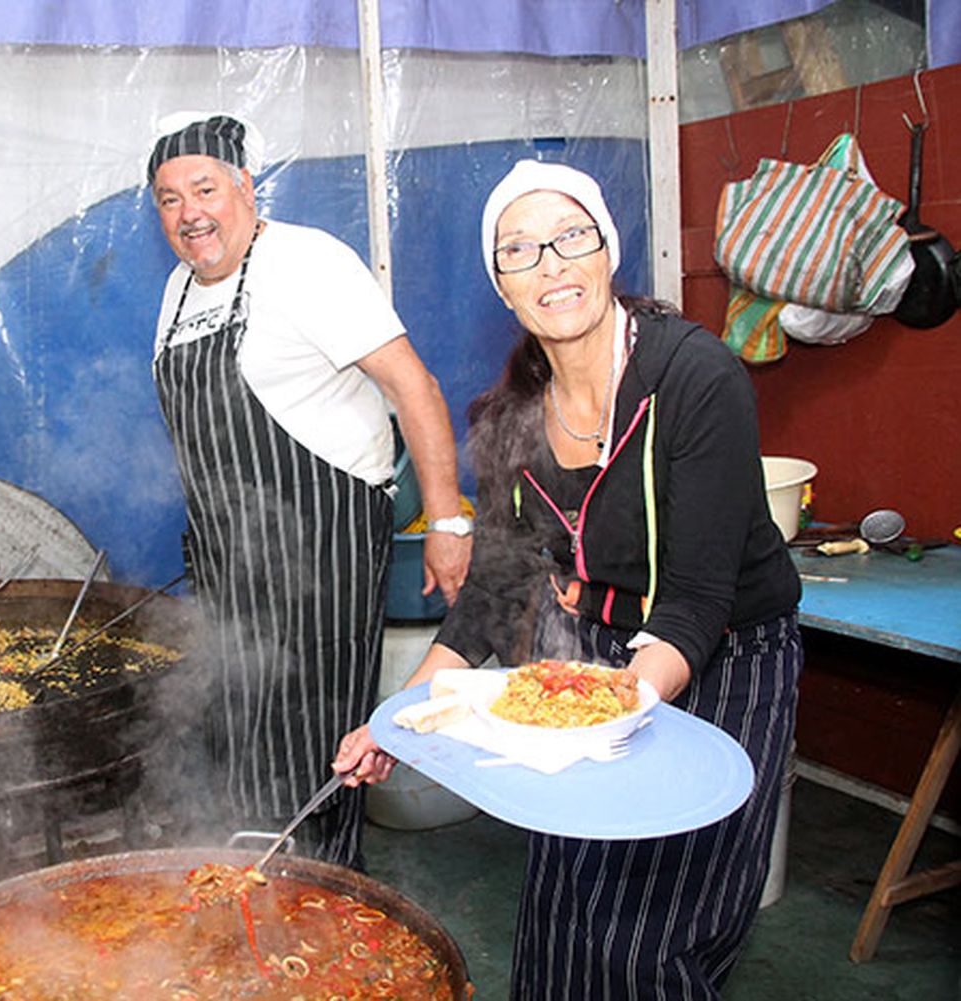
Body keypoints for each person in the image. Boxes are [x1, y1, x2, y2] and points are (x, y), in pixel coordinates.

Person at [334, 160, 802, 997]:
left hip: (724, 660)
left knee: (651, 938)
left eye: (569, 237)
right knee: (563, 917)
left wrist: (601, 711)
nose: (549, 263)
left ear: (606, 253)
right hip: (592, 667)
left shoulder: (695, 380)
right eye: (520, 251)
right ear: (503, 288)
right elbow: (495, 592)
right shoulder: (508, 417)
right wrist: (398, 716)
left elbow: (697, 600)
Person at [146, 112, 472, 868]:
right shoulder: (175, 291)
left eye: (205, 187)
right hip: (227, 556)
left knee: (309, 749)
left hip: (318, 551)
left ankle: (321, 907)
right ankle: (252, 900)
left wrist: (449, 520)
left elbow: (415, 387)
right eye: (168, 198)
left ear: (245, 189)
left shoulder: (307, 263)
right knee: (237, 739)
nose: (190, 212)